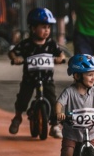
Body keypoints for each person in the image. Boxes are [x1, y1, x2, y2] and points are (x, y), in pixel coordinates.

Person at [8, 8, 66, 139]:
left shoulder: (51, 44)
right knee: (23, 97)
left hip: (47, 78)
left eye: (48, 27)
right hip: (30, 78)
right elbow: (13, 52)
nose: (47, 30)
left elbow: (60, 54)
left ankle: (55, 125)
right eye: (43, 27)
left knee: (52, 99)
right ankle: (17, 117)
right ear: (33, 28)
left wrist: (60, 58)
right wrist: (15, 59)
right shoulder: (27, 44)